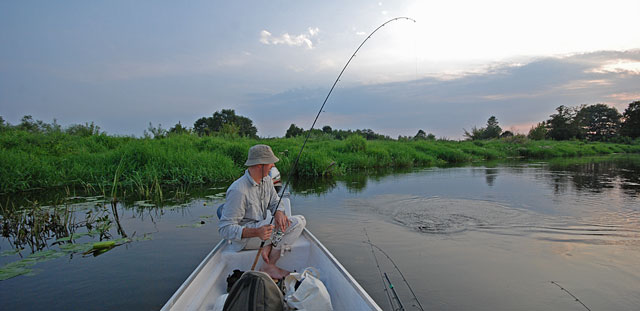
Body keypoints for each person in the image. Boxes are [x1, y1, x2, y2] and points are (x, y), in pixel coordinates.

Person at [218, 144, 306, 279]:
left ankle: (268, 261)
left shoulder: (267, 180)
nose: (273, 166)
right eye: (270, 163)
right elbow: (224, 229)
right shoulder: (238, 190)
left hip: (263, 230)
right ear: (260, 165)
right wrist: (256, 232)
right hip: (246, 240)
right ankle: (269, 255)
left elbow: (276, 202)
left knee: (299, 221)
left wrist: (279, 212)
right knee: (292, 224)